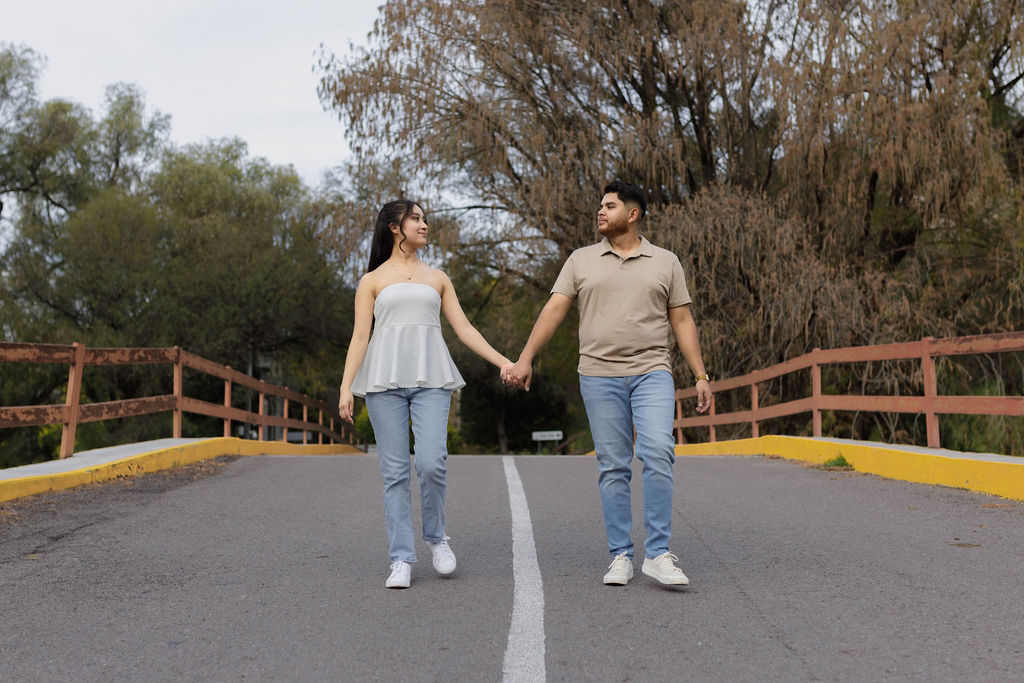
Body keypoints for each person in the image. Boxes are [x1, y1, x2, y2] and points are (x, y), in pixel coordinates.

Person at [503, 180, 712, 586]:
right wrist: (525, 357)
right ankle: (620, 555)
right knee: (614, 466)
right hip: (598, 375)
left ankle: (658, 554)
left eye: (609, 206)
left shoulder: (665, 261)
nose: (600, 211)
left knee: (657, 451)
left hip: (653, 371)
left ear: (632, 215)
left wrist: (700, 375)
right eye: (600, 205)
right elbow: (555, 309)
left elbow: (682, 320)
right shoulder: (581, 260)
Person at [339, 199, 513, 589]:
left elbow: (465, 330)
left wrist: (504, 362)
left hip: (432, 380)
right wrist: (346, 387)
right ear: (394, 228)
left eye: (424, 218)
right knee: (395, 472)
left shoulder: (438, 278)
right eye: (415, 218)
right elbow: (360, 338)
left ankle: (437, 539)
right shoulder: (372, 282)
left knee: (432, 463)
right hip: (384, 384)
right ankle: (401, 558)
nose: (424, 224)